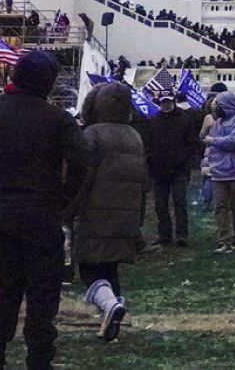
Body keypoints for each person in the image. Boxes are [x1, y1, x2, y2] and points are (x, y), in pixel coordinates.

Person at [0, 52, 87, 370]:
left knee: (3, 289)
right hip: (43, 214)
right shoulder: (57, 119)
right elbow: (81, 159)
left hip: (4, 214)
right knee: (43, 294)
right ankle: (38, 359)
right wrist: (65, 198)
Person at [70, 83, 148, 342]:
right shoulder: (134, 136)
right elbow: (143, 182)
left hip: (95, 213)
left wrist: (69, 209)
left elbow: (83, 177)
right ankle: (112, 322)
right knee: (110, 268)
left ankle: (109, 308)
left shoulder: (92, 135)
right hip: (126, 214)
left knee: (90, 270)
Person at [144, 94, 197, 248]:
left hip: (179, 169)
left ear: (173, 101)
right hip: (159, 169)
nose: (165, 105)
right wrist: (151, 159)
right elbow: (148, 143)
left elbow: (191, 143)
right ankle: (164, 234)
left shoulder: (185, 119)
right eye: (163, 102)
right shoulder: (153, 121)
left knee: (180, 202)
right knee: (160, 205)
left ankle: (181, 235)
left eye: (168, 101)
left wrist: (184, 161)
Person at [203, 91, 235, 254]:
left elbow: (234, 141)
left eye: (219, 106)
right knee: (220, 206)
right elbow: (210, 146)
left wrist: (213, 141)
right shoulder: (217, 124)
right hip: (218, 171)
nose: (216, 109)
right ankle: (224, 238)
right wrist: (208, 163)